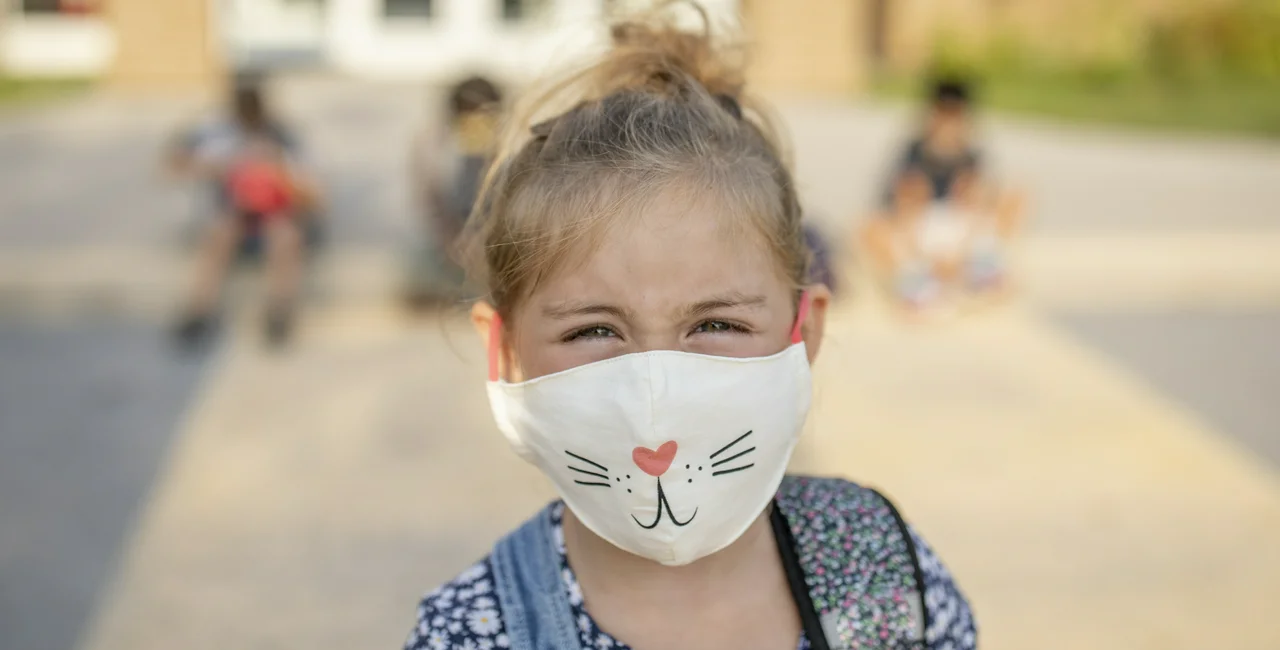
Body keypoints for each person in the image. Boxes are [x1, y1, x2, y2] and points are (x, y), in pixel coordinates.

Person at [402, 6, 976, 650]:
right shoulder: (475, 631)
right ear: (505, 351)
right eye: (594, 331)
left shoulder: (878, 567)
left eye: (716, 323)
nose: (658, 402)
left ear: (804, 331)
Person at [166, 74, 321, 348]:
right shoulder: (214, 132)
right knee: (220, 234)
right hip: (233, 214)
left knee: (284, 236)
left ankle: (279, 310)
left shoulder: (282, 137)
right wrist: (220, 167)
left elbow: (314, 194)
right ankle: (198, 310)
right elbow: (173, 165)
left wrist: (277, 172)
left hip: (275, 215)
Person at [860, 77, 1023, 313]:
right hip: (920, 234)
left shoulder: (972, 155)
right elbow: (896, 208)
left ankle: (979, 274)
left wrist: (962, 247)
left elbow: (984, 205)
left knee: (1016, 193)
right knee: (870, 226)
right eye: (945, 116)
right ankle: (921, 285)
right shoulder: (912, 153)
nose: (950, 126)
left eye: (956, 117)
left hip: (964, 234)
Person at [406, 75, 503, 305]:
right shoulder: (434, 145)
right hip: (446, 241)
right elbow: (430, 204)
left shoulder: (509, 141)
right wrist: (452, 242)